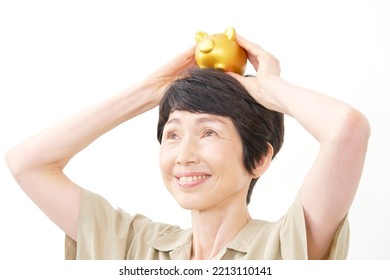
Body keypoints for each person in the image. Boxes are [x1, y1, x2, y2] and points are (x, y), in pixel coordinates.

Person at [5, 35, 370, 260]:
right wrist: (149, 91)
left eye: (209, 133)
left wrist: (267, 87)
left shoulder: (286, 246)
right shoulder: (134, 248)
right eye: (173, 135)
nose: (184, 156)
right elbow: (27, 163)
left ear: (259, 159)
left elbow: (346, 130)